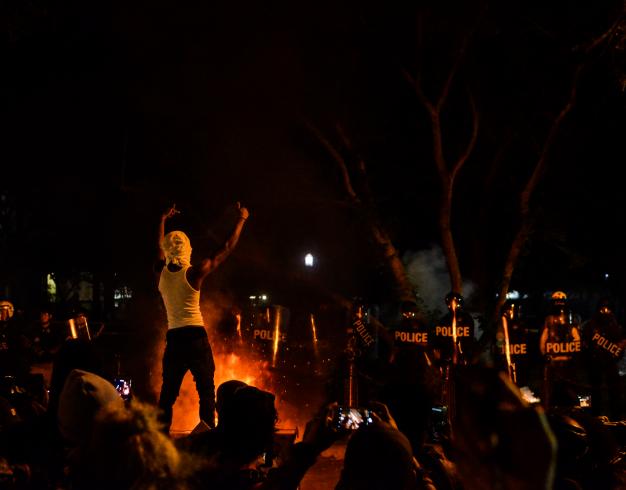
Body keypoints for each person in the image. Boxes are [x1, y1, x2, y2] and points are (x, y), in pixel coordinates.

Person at [156, 202, 249, 434]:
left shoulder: (160, 273)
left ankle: (159, 441)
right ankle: (208, 442)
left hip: (174, 339)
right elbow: (226, 248)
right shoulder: (194, 273)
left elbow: (159, 248)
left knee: (167, 395)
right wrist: (242, 219)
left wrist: (162, 219)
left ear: (168, 250)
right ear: (187, 249)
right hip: (196, 338)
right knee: (206, 393)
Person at [581, 297, 625, 419]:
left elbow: (621, 343)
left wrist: (617, 351)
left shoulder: (615, 324)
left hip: (610, 363)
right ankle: (590, 416)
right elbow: (584, 343)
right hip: (593, 362)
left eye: (607, 309)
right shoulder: (590, 325)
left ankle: (616, 417)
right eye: (602, 309)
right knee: (591, 389)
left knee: (614, 390)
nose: (605, 311)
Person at [538, 291, 582, 410]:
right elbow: (542, 342)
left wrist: (574, 354)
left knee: (570, 390)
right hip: (554, 363)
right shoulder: (548, 320)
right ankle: (552, 410)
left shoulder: (571, 319)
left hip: (567, 363)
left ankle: (574, 410)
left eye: (561, 301)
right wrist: (545, 355)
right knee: (551, 391)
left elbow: (577, 339)